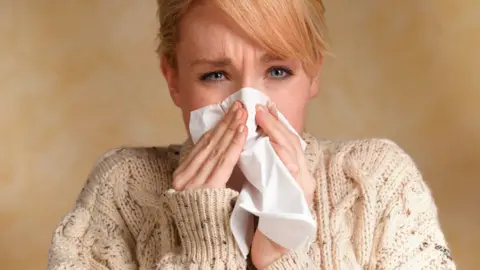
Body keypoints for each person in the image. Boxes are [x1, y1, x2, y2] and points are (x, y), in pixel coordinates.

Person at [47, 0, 456, 269]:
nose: (249, 107)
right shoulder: (121, 189)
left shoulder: (376, 181)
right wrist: (207, 245)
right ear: (173, 78)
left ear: (313, 71)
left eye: (278, 71)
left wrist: (285, 246)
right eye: (215, 74)